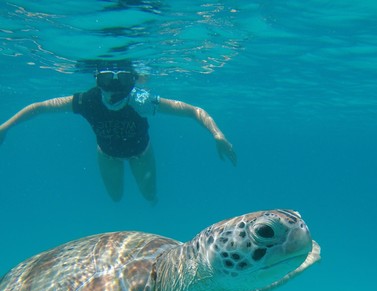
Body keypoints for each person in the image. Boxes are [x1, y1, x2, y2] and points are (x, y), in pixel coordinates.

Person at [0, 61, 237, 203]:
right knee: (115, 197)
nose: (113, 87)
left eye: (122, 79)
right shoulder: (86, 101)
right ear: (97, 80)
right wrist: (5, 127)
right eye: (105, 79)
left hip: (141, 153)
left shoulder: (141, 101)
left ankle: (151, 212)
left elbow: (193, 111)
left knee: (150, 197)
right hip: (107, 155)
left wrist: (217, 134)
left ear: (132, 81)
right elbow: (40, 108)